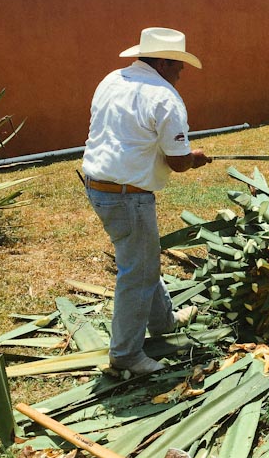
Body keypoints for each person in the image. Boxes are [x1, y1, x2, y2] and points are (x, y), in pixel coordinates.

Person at [82, 27, 212, 375]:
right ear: (164, 62)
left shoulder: (112, 80)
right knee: (138, 272)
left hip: (98, 185)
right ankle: (125, 355)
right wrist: (193, 156)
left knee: (142, 259)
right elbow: (178, 161)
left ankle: (164, 323)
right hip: (127, 196)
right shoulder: (165, 97)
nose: (182, 72)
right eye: (179, 65)